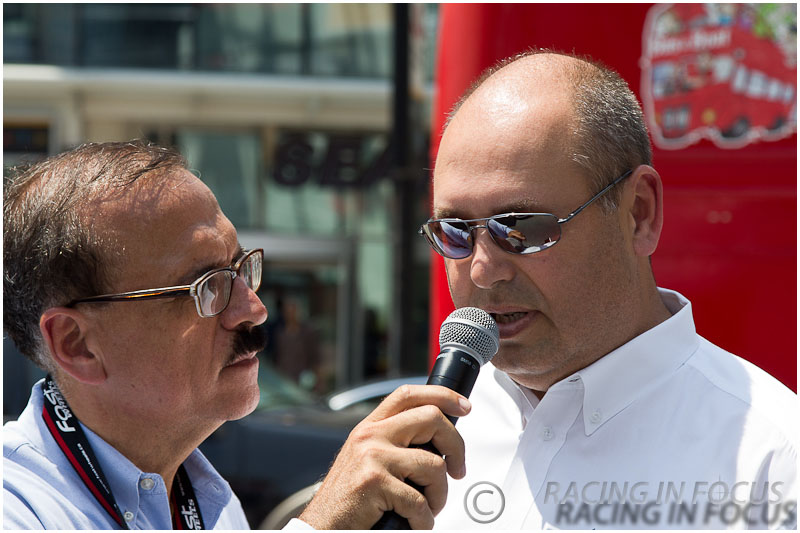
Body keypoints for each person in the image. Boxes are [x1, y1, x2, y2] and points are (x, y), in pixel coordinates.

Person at [412, 50, 796, 528]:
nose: (484, 271)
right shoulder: (424, 438)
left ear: (639, 213)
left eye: (523, 230)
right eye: (454, 232)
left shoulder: (773, 461)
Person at [3, 140, 468, 530]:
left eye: (242, 269)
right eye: (208, 287)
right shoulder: (18, 509)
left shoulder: (207, 502)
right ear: (76, 344)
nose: (254, 310)